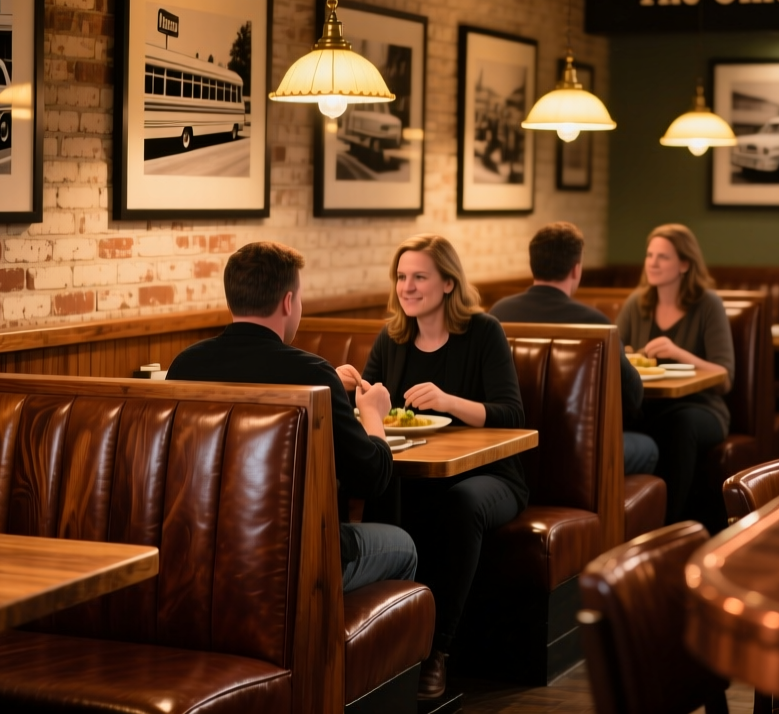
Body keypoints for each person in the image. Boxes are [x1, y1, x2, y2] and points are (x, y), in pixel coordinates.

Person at [166, 241, 417, 593]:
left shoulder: (185, 366)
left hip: (202, 549)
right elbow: (371, 477)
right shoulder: (312, 373)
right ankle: (334, 639)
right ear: (288, 302)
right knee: (403, 545)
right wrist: (373, 414)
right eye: (298, 299)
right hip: (295, 556)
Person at [342, 234, 526, 700]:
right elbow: (374, 410)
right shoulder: (393, 336)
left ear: (447, 283)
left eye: (419, 277)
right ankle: (393, 647)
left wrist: (448, 401)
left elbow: (511, 414)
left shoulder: (484, 332)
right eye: (402, 277)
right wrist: (347, 387)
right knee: (386, 490)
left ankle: (438, 651)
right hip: (415, 471)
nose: (407, 287)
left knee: (461, 504)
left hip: (492, 474)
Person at [488, 221, 659, 476]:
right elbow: (632, 397)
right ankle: (609, 511)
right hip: (575, 453)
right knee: (650, 447)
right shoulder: (595, 324)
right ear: (576, 269)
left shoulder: (498, 314)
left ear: (532, 264)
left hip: (510, 448)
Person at [615, 224, 735, 526]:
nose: (653, 263)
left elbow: (725, 377)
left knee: (680, 425)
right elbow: (617, 356)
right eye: (649, 255)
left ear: (684, 264)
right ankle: (620, 526)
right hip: (648, 405)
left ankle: (670, 527)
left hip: (702, 408)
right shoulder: (636, 303)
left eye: (663, 257)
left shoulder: (708, 304)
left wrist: (678, 352)